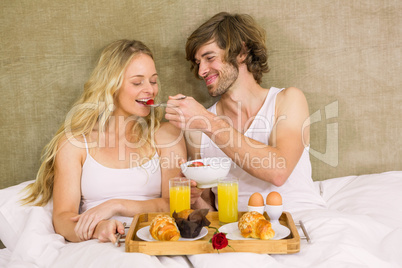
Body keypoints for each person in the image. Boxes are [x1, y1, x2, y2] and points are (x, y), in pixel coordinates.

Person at [21, 39, 186, 244]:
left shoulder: (167, 134)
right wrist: (98, 229)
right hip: (96, 246)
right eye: (137, 82)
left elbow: (177, 206)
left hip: (155, 242)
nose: (150, 90)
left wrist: (117, 205)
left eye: (153, 81)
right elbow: (63, 219)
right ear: (112, 86)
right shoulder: (74, 143)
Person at [165, 12, 326, 212]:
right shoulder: (198, 130)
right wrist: (194, 198)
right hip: (238, 232)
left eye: (209, 58)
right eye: (198, 63)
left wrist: (207, 121)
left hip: (302, 219)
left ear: (241, 52)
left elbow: (278, 171)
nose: (201, 71)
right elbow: (210, 211)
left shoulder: (287, 101)